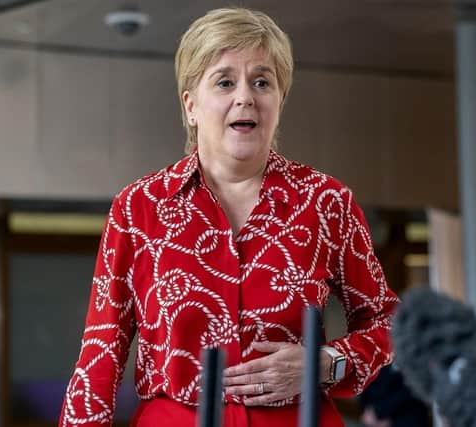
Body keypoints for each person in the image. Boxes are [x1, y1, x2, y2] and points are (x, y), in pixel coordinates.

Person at [59, 7, 398, 427]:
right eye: (224, 81)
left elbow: (388, 324)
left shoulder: (327, 201)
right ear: (191, 106)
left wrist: (326, 363)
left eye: (262, 82)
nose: (245, 96)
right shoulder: (138, 207)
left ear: (279, 101)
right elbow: (101, 350)